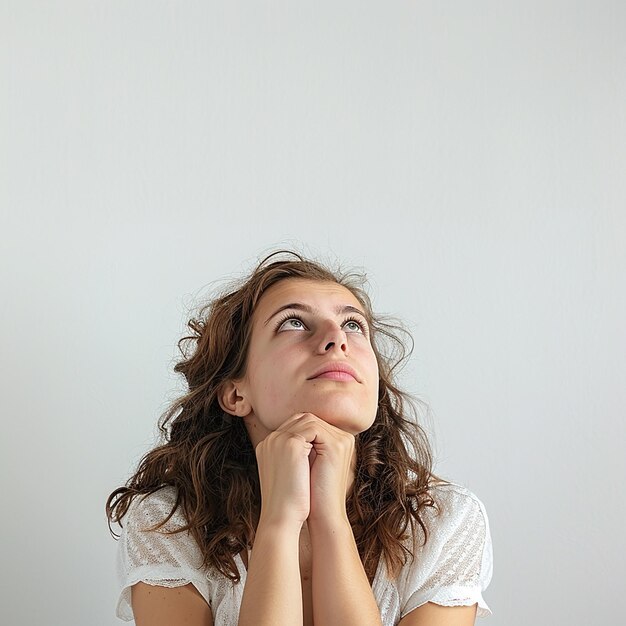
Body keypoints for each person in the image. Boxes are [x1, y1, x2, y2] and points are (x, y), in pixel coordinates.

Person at [106, 249, 493, 626]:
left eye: (353, 325)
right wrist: (279, 522)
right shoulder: (168, 522)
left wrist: (330, 521)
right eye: (293, 322)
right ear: (236, 393)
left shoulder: (444, 522)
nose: (336, 339)